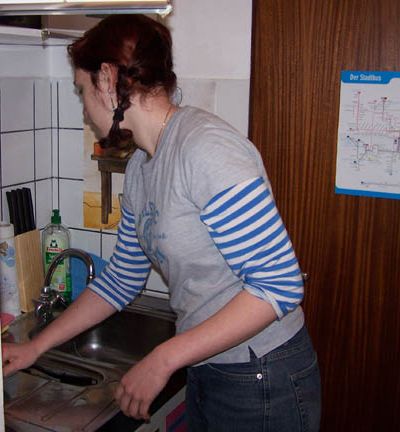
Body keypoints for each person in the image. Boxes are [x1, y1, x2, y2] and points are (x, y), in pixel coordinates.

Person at [2, 14, 321, 432]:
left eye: (82, 90)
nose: (83, 108)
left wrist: (164, 358)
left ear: (107, 78)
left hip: (262, 374)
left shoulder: (206, 149)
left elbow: (279, 285)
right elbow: (122, 278)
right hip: (209, 365)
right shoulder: (141, 166)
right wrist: (36, 346)